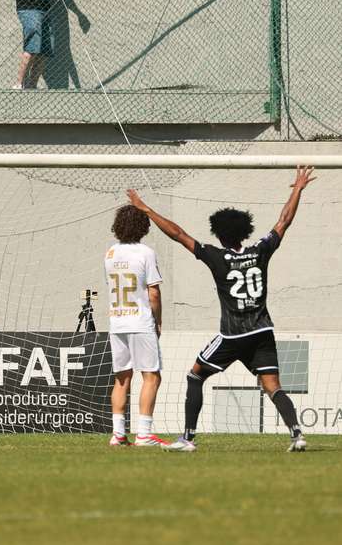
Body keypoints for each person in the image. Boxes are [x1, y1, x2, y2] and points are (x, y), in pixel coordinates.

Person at [126, 166, 316, 453]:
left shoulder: (216, 257)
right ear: (244, 231)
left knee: (195, 375)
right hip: (262, 331)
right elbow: (283, 222)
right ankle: (297, 435)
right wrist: (298, 189)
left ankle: (188, 439)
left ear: (220, 234)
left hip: (233, 335)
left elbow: (178, 234)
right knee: (273, 386)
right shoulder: (259, 251)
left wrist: (146, 209)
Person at [105, 206, 167, 447]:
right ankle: (144, 433)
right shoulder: (145, 253)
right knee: (151, 376)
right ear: (143, 227)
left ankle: (118, 434)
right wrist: (158, 320)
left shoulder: (110, 253)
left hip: (117, 320)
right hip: (140, 321)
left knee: (122, 378)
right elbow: (154, 292)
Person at [15, 0, 69, 89]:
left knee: (44, 49)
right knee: (33, 45)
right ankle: (18, 84)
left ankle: (32, 85)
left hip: (45, 7)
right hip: (29, 5)